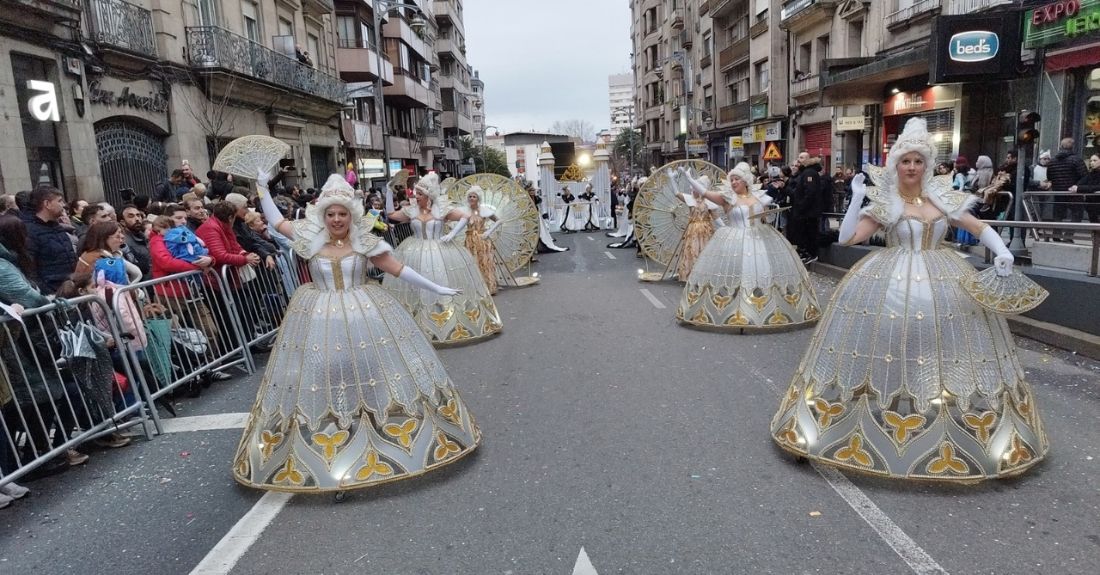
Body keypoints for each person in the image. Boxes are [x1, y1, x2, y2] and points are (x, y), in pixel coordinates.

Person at [770, 117, 1048, 480]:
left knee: (944, 345)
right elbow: (849, 237)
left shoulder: (942, 199)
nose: (912, 167)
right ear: (896, 164)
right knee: (888, 343)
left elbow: (977, 227)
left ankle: (942, 409)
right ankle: (881, 408)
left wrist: (1001, 251)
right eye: (906, 161)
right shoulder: (886, 203)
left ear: (927, 165)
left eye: (918, 161)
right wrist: (856, 198)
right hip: (890, 283)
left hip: (943, 282)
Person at [231, 169, 478, 493]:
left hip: (363, 314)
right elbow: (278, 223)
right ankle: (334, 434)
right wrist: (262, 189)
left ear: (351, 215)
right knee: (326, 373)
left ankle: (376, 429)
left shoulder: (365, 243)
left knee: (368, 369)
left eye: (342, 214)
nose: (336, 219)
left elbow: (398, 269)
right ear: (323, 215)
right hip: (319, 318)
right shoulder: (310, 238)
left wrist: (437, 287)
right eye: (331, 214)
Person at [673, 163, 820, 330]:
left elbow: (769, 214)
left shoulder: (760, 196)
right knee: (735, 272)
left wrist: (769, 212)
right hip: (735, 239)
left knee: (760, 270)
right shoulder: (727, 198)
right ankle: (732, 308)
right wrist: (690, 179)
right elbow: (704, 192)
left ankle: (762, 307)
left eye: (737, 179)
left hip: (759, 238)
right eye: (732, 179)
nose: (733, 182)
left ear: (745, 181)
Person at [382, 173, 502, 344]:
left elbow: (466, 217)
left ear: (429, 196)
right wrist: (388, 191)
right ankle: (419, 322)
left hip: (440, 250)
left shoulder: (441, 209)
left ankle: (446, 318)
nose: (416, 197)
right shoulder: (411, 210)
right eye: (416, 193)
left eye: (420, 194)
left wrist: (452, 233)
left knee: (440, 280)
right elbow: (391, 214)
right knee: (416, 286)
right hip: (413, 251)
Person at [21, 186, 77, 294]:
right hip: (52, 292)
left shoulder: (57, 227)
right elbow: (30, 267)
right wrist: (46, 292)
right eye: (59, 201)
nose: (64, 205)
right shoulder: (30, 231)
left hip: (69, 288)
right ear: (47, 204)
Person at [673, 175, 718, 280]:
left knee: (705, 251)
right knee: (692, 251)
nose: (692, 189)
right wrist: (672, 178)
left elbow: (717, 218)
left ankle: (705, 276)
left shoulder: (709, 202)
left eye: (695, 187)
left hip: (706, 231)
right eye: (692, 187)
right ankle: (692, 275)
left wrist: (725, 230)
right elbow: (676, 193)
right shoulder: (690, 199)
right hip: (692, 231)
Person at [459, 186, 503, 294]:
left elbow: (499, 220)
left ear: (478, 198)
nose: (472, 198)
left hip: (482, 240)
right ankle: (475, 288)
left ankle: (488, 286)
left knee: (484, 262)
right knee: (472, 263)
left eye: (474, 196)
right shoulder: (465, 211)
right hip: (469, 240)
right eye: (470, 196)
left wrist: (489, 232)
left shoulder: (484, 210)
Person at [786, 153, 825, 263]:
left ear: (808, 159)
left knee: (810, 233)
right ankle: (805, 253)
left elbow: (810, 192)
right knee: (804, 233)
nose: (799, 160)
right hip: (805, 211)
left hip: (809, 212)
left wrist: (801, 205)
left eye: (802, 158)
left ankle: (812, 254)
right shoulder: (804, 172)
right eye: (798, 157)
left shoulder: (809, 173)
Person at [120, 204, 152, 282]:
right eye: (131, 216)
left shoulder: (144, 236)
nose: (137, 219)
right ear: (123, 222)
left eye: (138, 215)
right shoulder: (123, 242)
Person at [1068, 153, 1100, 223]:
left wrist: (1079, 188)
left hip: (1096, 204)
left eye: (1095, 160)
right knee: (1094, 225)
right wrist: (1076, 187)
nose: (1092, 163)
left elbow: (1097, 187)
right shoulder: (1091, 174)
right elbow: (1081, 183)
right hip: (1091, 205)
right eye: (1091, 161)